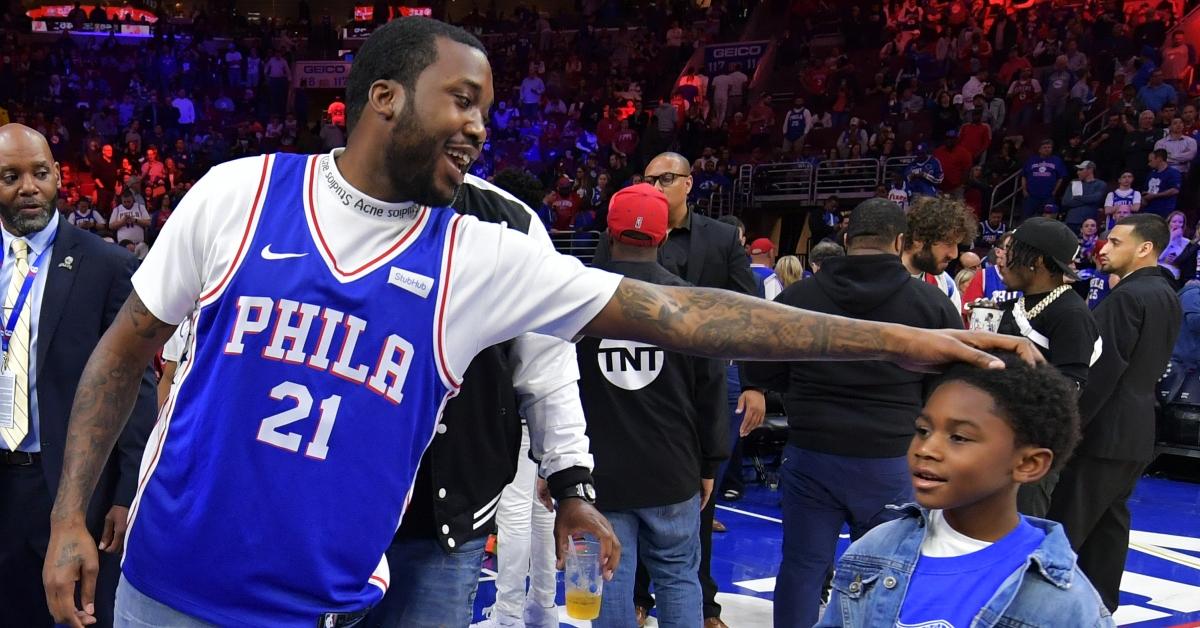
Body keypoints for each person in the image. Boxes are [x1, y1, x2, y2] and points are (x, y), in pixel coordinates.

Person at [43, 18, 1039, 628]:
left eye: (490, 106)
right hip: (166, 585)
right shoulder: (238, 193)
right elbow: (124, 351)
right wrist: (69, 517)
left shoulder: (485, 248)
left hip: (325, 600)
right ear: (384, 98)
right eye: (462, 99)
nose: (482, 124)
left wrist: (913, 340)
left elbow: (679, 313)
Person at [372, 175, 595, 628]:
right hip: (324, 504)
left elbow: (547, 360)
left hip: (446, 515)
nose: (473, 126)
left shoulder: (510, 221)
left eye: (480, 107)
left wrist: (572, 483)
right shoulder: (320, 198)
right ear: (387, 100)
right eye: (459, 100)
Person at [745, 198, 965, 628]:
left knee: (802, 570)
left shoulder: (799, 296)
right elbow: (948, 390)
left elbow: (762, 370)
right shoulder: (931, 304)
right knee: (885, 577)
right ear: (900, 242)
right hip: (892, 457)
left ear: (846, 241)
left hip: (812, 452)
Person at [816, 355, 1114, 628]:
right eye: (923, 430)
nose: (926, 449)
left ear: (1028, 463)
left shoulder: (1064, 603)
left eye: (958, 437)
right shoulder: (877, 548)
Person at [0, 124, 157, 627]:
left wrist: (125, 490)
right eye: (10, 176)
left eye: (39, 173)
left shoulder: (106, 265)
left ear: (58, 177)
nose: (28, 187)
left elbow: (136, 381)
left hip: (72, 489)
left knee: (74, 619)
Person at [580, 184, 725, 628]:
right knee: (680, 577)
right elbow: (712, 390)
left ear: (608, 231)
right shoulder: (691, 303)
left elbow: (550, 386)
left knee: (609, 576)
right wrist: (710, 464)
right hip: (672, 467)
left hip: (601, 470)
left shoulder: (578, 296)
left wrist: (554, 466)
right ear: (663, 238)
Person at [1047, 214, 1182, 613]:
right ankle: (1101, 610)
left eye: (1116, 242)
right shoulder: (1167, 295)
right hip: (1138, 430)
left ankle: (1041, 611)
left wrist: (1066, 426)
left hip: (1103, 431)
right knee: (1109, 527)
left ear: (1144, 248)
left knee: (1063, 526)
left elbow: (1101, 371)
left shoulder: (1127, 297)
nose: (1103, 249)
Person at [994, 218, 1101, 515]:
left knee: (1017, 530)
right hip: (995, 435)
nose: (1002, 259)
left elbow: (1071, 386)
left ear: (1037, 261)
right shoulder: (1018, 304)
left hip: (1030, 444)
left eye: (1011, 252)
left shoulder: (1071, 314)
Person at [902, 196, 977, 311]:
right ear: (918, 238)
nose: (954, 254)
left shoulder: (946, 285)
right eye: (948, 243)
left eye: (957, 245)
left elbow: (955, 329)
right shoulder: (880, 279)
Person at [1021, 140, 1067, 219]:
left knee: (1048, 218)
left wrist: (1055, 191)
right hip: (1032, 196)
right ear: (1039, 150)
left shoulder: (1057, 160)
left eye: (1049, 147)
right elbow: (1024, 176)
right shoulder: (1031, 160)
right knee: (1026, 218)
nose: (1047, 149)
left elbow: (1061, 178)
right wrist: (1024, 190)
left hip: (1048, 196)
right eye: (1044, 147)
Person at [1061, 161, 1107, 234]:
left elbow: (1095, 199)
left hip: (1089, 223)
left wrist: (1077, 198)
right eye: (1078, 170)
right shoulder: (1074, 182)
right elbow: (1065, 202)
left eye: (1081, 170)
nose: (1078, 172)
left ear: (1090, 170)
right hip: (1072, 221)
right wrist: (1088, 201)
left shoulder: (1100, 184)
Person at [1143, 149, 1182, 217]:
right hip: (1149, 210)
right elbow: (1145, 190)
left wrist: (1154, 196)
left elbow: (1175, 190)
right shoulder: (1151, 174)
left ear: (1159, 159)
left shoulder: (1173, 173)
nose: (1149, 164)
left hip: (1165, 210)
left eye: (1150, 161)